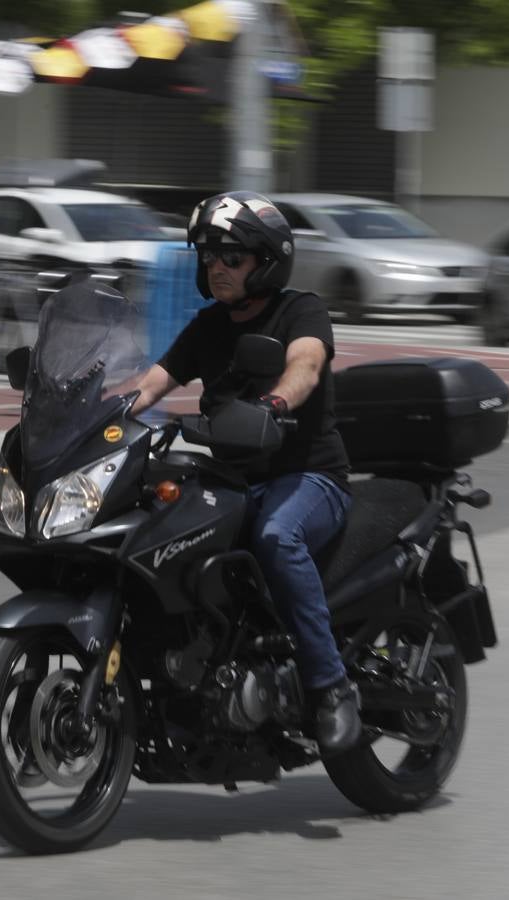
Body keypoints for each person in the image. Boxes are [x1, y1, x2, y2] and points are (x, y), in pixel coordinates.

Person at [129, 191, 361, 756]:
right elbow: (155, 380)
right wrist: (93, 415)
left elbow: (305, 364)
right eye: (209, 256)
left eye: (230, 256)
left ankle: (331, 688)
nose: (216, 267)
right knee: (152, 532)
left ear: (267, 260)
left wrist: (277, 404)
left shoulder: (301, 310)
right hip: (233, 481)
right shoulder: (209, 326)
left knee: (277, 537)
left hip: (309, 477)